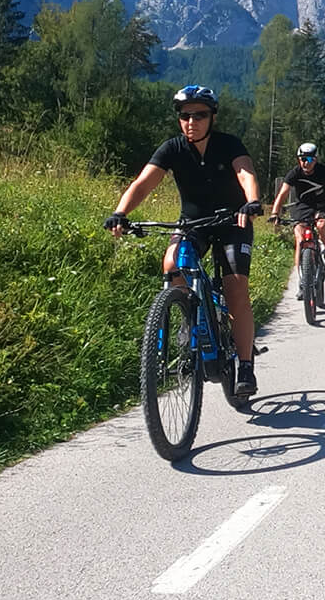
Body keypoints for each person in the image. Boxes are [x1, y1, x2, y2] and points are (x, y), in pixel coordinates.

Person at [104, 85, 263, 399]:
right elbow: (143, 183)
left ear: (212, 117)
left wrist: (252, 202)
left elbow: (246, 174)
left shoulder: (228, 144)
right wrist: (121, 211)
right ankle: (190, 318)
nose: (192, 121)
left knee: (235, 287)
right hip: (193, 224)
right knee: (172, 262)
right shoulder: (173, 148)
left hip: (233, 222)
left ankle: (245, 364)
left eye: (200, 115)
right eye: (185, 116)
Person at [269, 141, 325, 297]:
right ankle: (303, 280)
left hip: (321, 204)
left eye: (309, 159)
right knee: (299, 238)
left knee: (321, 224)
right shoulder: (294, 173)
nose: (305, 162)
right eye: (302, 159)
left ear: (315, 160)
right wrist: (274, 213)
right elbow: (283, 193)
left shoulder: (324, 171)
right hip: (302, 206)